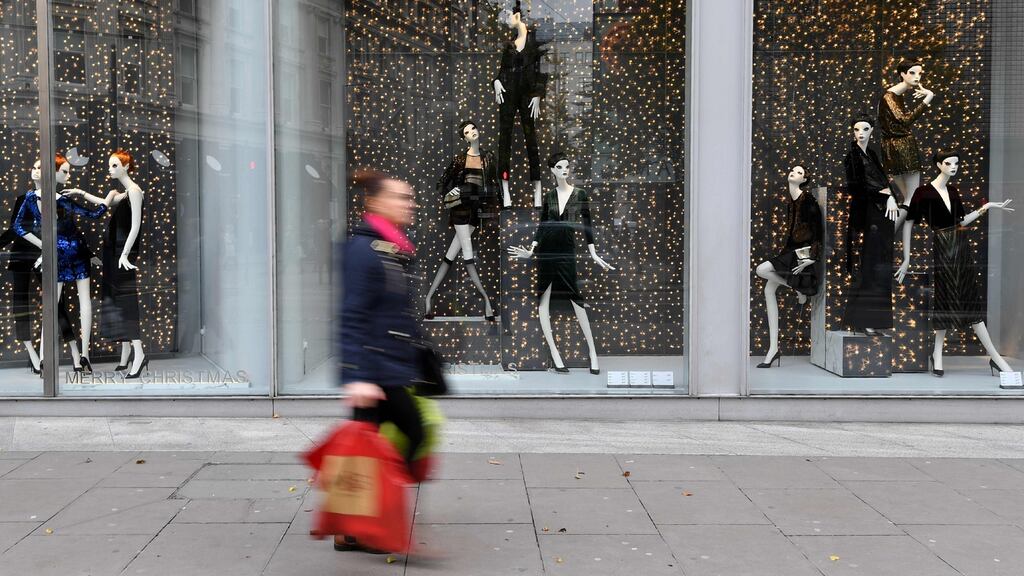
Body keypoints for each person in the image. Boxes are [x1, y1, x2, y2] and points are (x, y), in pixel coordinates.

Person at [335, 169, 426, 553]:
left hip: (388, 365)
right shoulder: (363, 250)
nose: (410, 204)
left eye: (410, 198)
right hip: (374, 371)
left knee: (365, 456)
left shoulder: (391, 246)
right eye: (401, 198)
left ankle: (352, 525)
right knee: (407, 437)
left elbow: (392, 311)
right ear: (376, 203)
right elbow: (351, 313)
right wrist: (355, 375)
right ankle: (367, 522)